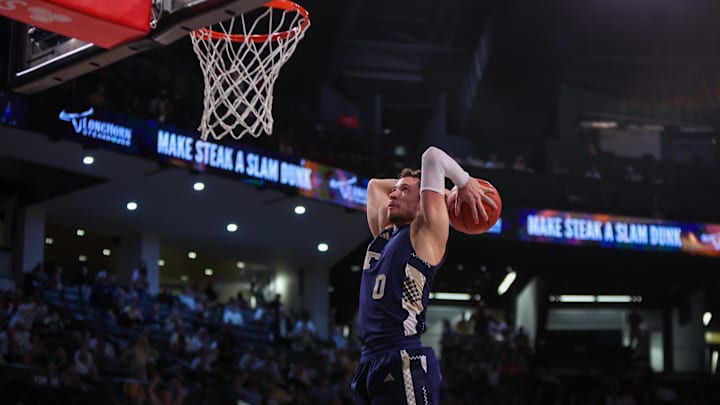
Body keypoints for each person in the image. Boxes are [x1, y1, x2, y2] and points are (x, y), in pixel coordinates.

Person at [351, 146, 497, 404]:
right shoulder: (384, 234)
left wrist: (461, 183)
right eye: (395, 189)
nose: (393, 193)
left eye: (404, 190)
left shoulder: (424, 233)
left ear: (423, 204)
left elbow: (432, 156)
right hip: (370, 359)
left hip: (403, 357)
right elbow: (375, 186)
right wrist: (414, 186)